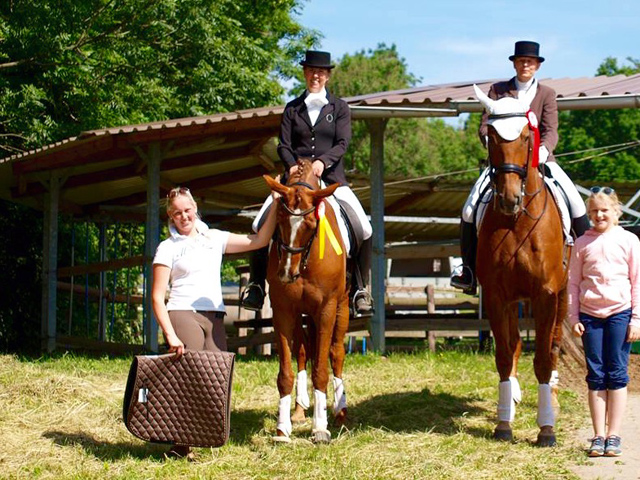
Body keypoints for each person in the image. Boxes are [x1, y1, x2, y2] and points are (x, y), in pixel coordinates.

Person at [241, 50, 374, 316]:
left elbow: (342, 143)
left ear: (327, 75)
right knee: (258, 223)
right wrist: (291, 165)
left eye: (321, 72)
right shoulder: (292, 108)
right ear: (305, 73)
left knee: (365, 228)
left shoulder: (340, 108)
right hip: (294, 181)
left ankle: (360, 288)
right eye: (311, 71)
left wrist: (323, 162)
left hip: (330, 179)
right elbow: (284, 144)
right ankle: (256, 285)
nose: (316, 75)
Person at [451, 40, 590, 295]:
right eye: (521, 61)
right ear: (515, 63)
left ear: (537, 65)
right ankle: (467, 271)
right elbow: (484, 125)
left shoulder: (546, 94)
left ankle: (588, 267)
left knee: (577, 204)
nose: (525, 65)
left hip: (542, 160)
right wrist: (490, 142)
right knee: (470, 209)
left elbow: (551, 130)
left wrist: (542, 151)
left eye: (530, 61)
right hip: (505, 163)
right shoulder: (498, 90)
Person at [152, 186, 278, 459]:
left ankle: (202, 434)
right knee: (191, 375)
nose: (184, 217)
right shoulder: (168, 247)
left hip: (214, 315)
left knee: (219, 375)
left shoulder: (215, 238)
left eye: (187, 210)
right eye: (177, 214)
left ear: (195, 208)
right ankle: (180, 444)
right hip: (183, 311)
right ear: (170, 217)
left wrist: (277, 205)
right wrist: (170, 335)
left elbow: (258, 241)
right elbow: (156, 297)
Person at [568, 186, 640, 457]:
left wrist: (636, 319)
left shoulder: (630, 241)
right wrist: (573, 317)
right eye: (594, 211)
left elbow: (637, 282)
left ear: (616, 211)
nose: (599, 215)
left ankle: (614, 435)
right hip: (590, 316)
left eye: (604, 210)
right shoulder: (582, 243)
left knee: (617, 374)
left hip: (620, 314)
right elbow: (573, 283)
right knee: (596, 375)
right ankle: (598, 435)